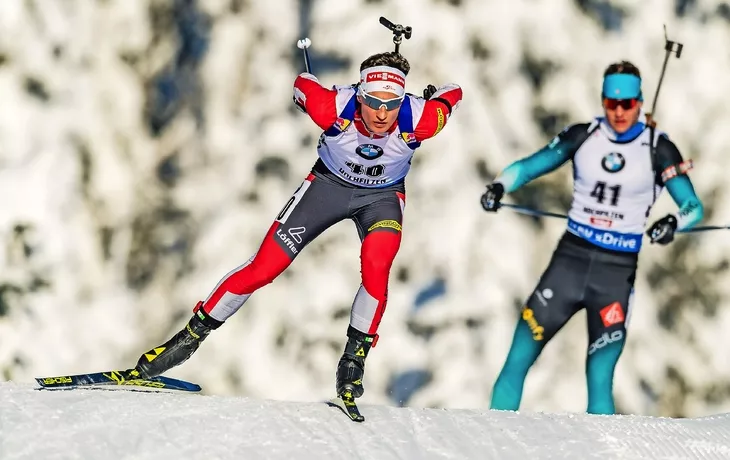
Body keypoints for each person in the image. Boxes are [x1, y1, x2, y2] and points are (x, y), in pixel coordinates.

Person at [122, 51, 463, 404]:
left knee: (377, 266)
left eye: (391, 104)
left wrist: (433, 96)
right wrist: (306, 95)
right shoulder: (332, 108)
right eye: (372, 101)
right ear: (359, 94)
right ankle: (183, 342)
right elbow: (304, 85)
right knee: (265, 267)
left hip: (382, 199)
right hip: (326, 188)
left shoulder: (423, 118)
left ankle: (352, 361)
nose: (381, 113)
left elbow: (453, 92)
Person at [481, 61, 703, 415]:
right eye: (611, 103)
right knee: (518, 356)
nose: (618, 112)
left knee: (599, 375)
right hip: (570, 261)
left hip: (614, 274)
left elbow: (693, 206)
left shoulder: (657, 148)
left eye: (627, 104)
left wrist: (673, 222)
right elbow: (530, 165)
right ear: (602, 101)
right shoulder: (584, 135)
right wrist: (500, 186)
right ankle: (484, 442)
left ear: (640, 101)